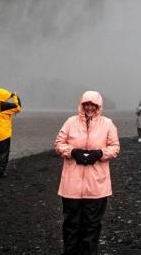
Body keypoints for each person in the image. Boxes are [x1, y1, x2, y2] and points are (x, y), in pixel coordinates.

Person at [54, 91, 121, 255]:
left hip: (97, 186)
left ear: (99, 106)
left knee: (92, 225)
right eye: (86, 104)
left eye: (93, 104)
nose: (89, 107)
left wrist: (98, 154)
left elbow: (115, 147)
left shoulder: (107, 124)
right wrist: (72, 152)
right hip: (71, 185)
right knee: (71, 223)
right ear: (81, 104)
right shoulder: (70, 122)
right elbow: (58, 143)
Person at [0, 88, 21, 178]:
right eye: (7, 96)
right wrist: (15, 96)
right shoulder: (4, 105)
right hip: (4, 134)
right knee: (3, 154)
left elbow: (4, 108)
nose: (8, 97)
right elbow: (18, 108)